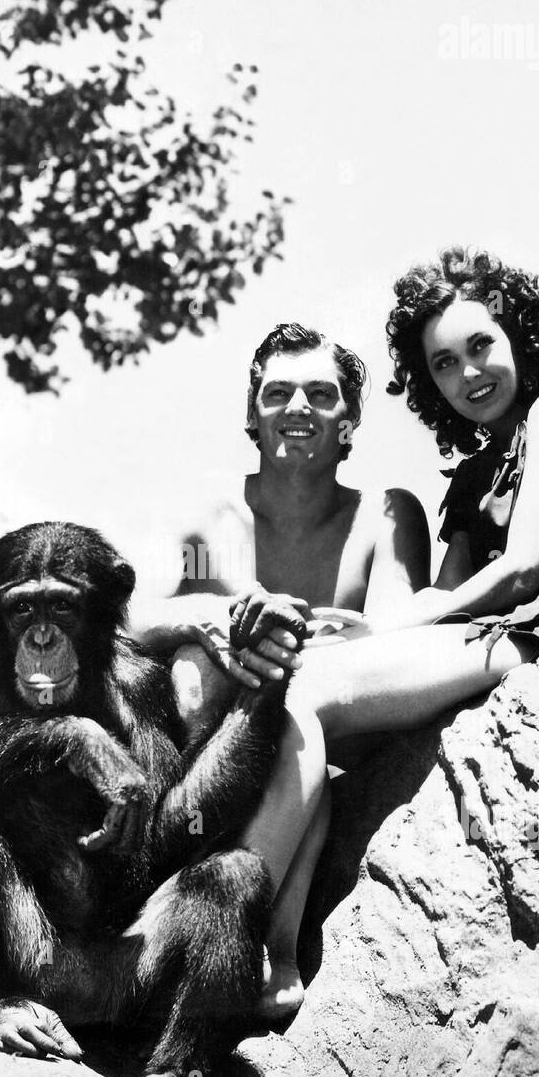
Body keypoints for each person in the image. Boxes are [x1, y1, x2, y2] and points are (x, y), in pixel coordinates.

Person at [220, 246, 539, 1017]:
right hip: (490, 630)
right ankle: (279, 962)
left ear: (521, 337)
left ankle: (232, 940)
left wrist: (401, 622)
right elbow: (442, 595)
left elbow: (524, 569)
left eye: (480, 347)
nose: (469, 375)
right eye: (445, 364)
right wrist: (357, 630)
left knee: (312, 693)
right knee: (304, 691)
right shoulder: (473, 472)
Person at [130, 322, 431, 1019]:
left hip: (330, 745)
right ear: (250, 413)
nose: (299, 408)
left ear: (350, 419)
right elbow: (126, 617)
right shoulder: (213, 520)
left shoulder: (386, 518)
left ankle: (267, 951)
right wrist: (205, 617)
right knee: (189, 670)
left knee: (298, 719)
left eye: (321, 394)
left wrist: (296, 645)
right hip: (210, 753)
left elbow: (391, 638)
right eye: (279, 392)